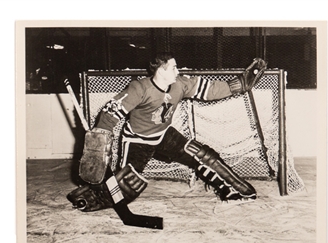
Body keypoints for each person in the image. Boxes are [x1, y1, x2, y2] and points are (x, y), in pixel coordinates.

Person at [67, 54, 266, 217]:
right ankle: (88, 196)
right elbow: (110, 114)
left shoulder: (180, 83)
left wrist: (238, 84)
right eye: (173, 67)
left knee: (204, 156)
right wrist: (98, 142)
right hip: (137, 141)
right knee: (126, 189)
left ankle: (236, 191)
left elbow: (211, 90)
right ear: (161, 70)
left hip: (164, 135)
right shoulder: (139, 88)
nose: (177, 71)